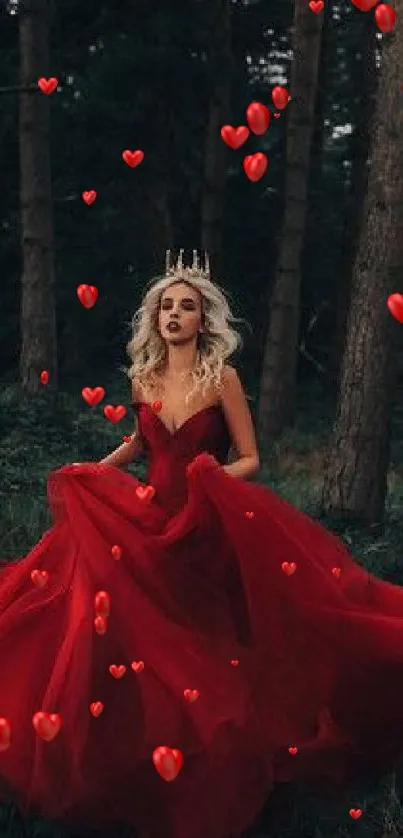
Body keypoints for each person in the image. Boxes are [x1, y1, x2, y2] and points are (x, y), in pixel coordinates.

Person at [1, 249, 403, 838]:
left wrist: (207, 482)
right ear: (154, 316)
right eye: (166, 305)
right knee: (123, 626)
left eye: (187, 307)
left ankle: (222, 745)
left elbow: (251, 459)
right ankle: (134, 747)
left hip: (204, 521)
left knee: (205, 638)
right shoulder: (143, 377)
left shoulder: (223, 379)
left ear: (202, 319)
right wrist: (91, 469)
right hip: (147, 518)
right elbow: (138, 448)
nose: (174, 315)